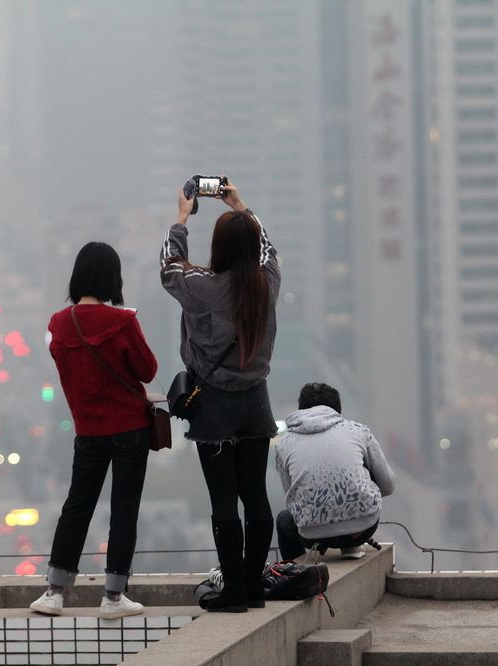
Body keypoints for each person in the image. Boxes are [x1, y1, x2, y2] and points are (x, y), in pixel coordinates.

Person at [159, 180, 280, 613]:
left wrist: (181, 218)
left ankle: (233, 592)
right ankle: (253, 584)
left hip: (213, 406)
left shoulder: (201, 286)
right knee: (257, 496)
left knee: (223, 501)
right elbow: (269, 252)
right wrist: (242, 207)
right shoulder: (267, 282)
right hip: (257, 401)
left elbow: (168, 268)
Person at [30, 242, 158, 618]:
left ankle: (54, 591)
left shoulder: (58, 324)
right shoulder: (123, 322)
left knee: (77, 506)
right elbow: (147, 370)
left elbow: (68, 374)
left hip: (88, 430)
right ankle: (114, 597)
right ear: (112, 278)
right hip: (130, 428)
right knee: (123, 511)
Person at [274, 383, 395, 561]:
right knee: (358, 468)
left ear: (301, 409)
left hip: (312, 535)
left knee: (284, 520)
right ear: (337, 410)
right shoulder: (358, 431)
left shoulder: (283, 444)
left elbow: (291, 497)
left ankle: (296, 575)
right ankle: (351, 547)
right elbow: (388, 486)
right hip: (363, 528)